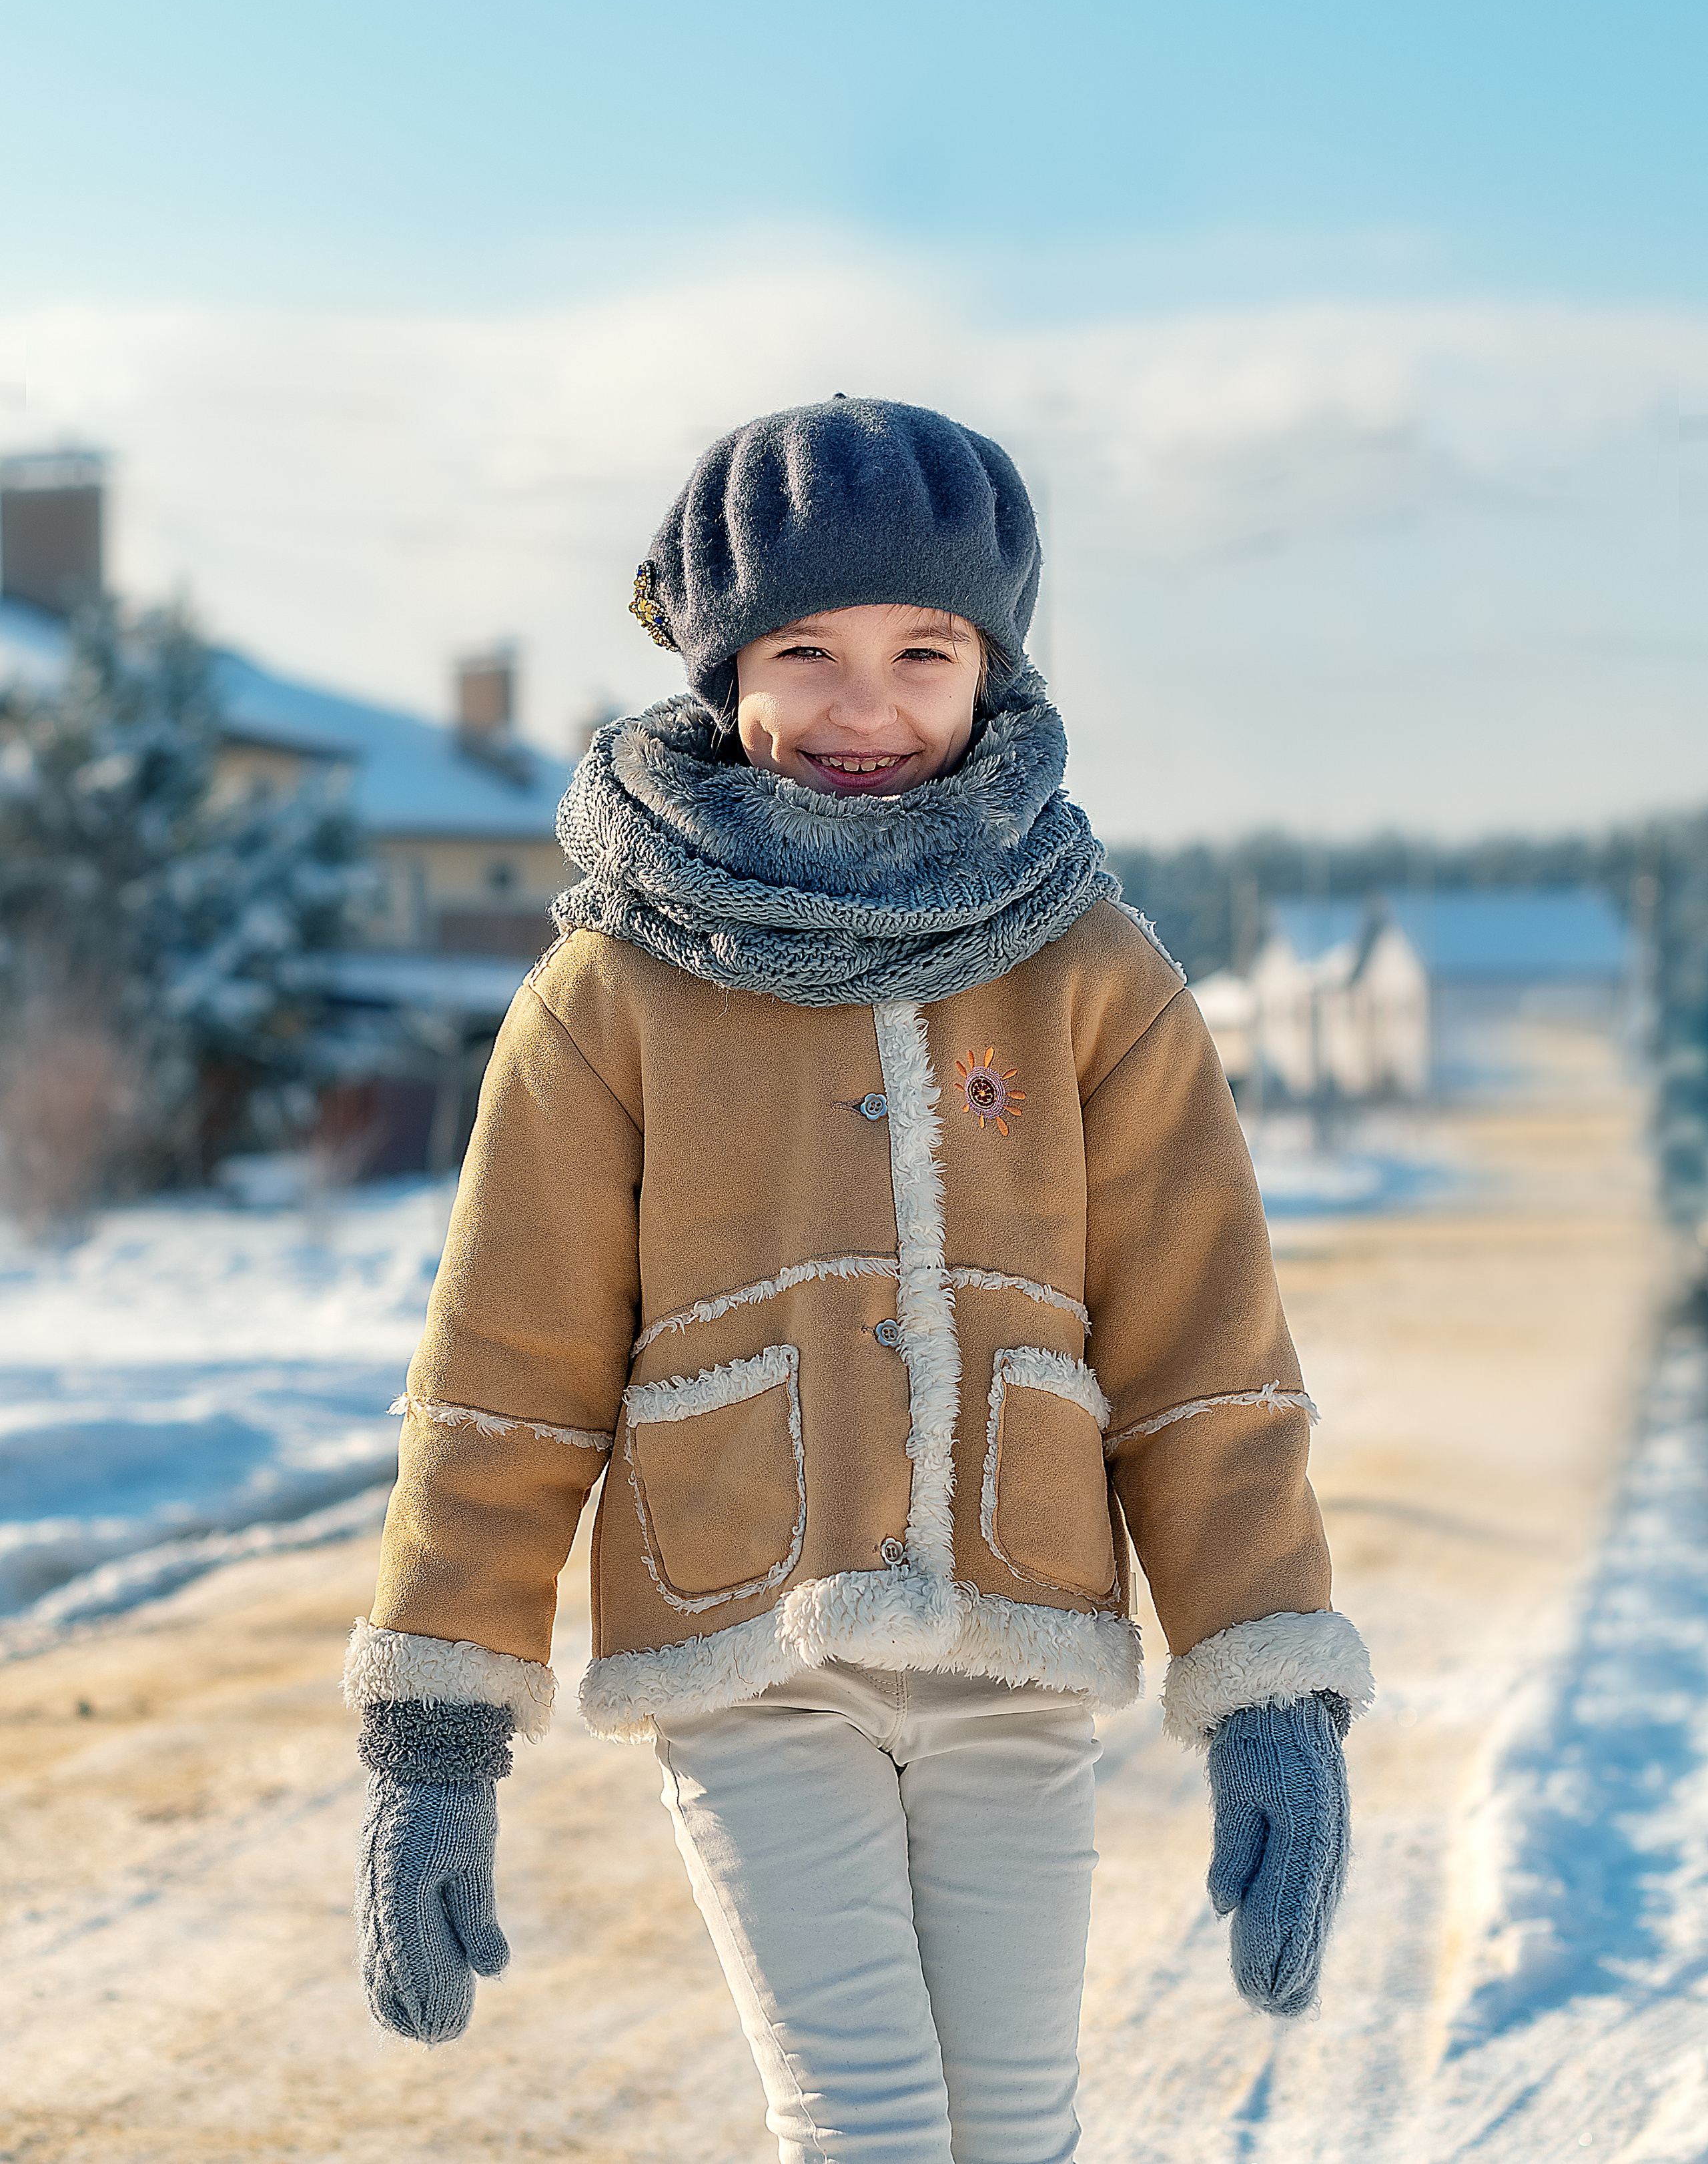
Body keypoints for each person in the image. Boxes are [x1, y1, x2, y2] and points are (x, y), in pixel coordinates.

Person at [346, 396, 1372, 2164]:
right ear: (719, 669)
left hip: (1019, 1637)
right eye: (807, 652)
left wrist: (1268, 1687)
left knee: (1016, 2123)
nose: (868, 705)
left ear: (994, 666)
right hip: (747, 1643)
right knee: (871, 2125)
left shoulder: (1093, 970)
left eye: (923, 648)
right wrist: (440, 1737)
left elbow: (1207, 1346)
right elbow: (503, 1377)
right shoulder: (611, 995)